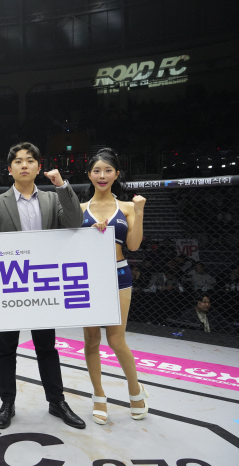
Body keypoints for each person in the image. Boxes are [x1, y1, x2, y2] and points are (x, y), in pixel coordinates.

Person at [0, 142, 86, 430]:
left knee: (47, 347)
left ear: (39, 167)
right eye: (18, 161)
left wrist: (62, 186)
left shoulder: (53, 199)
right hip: (10, 289)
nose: (24, 165)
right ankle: (7, 403)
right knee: (6, 348)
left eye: (30, 161)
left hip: (43, 289)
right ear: (9, 169)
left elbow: (75, 222)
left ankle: (57, 401)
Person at [80, 147, 149, 424]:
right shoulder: (80, 208)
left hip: (119, 274)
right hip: (88, 279)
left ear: (116, 174)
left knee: (116, 339)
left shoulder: (129, 207)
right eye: (97, 170)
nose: (102, 175)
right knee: (91, 341)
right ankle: (98, 396)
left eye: (108, 170)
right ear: (89, 175)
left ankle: (135, 391)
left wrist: (140, 212)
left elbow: (133, 245)